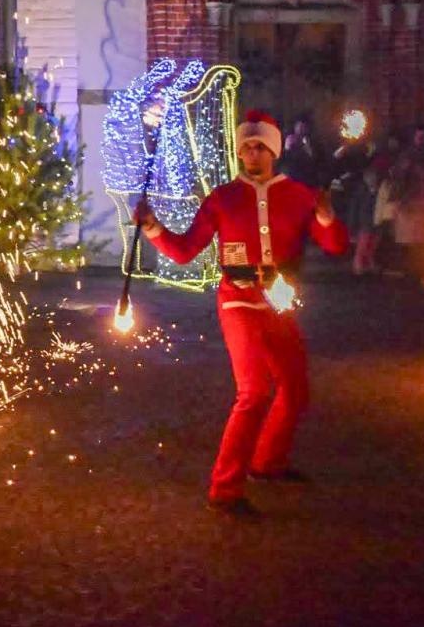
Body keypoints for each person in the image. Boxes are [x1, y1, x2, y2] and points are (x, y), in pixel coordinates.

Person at [135, 110, 347, 517]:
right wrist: (152, 228)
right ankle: (224, 487)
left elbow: (336, 245)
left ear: (273, 151)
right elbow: (184, 251)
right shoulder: (223, 198)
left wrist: (325, 216)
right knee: (253, 392)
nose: (253, 154)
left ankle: (266, 464)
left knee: (295, 389)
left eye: (260, 147)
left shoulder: (300, 195)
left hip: (279, 302)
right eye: (247, 147)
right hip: (237, 301)